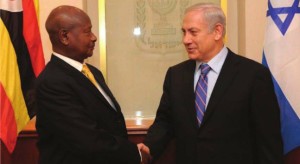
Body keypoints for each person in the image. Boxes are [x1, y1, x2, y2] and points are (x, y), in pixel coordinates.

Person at [138, 3, 283, 164]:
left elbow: (268, 142)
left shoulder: (253, 75)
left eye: (193, 32)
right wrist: (149, 148)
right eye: (184, 32)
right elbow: (164, 122)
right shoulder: (176, 75)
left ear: (217, 31)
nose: (186, 40)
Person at [35, 5, 140, 164]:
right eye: (87, 31)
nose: (94, 37)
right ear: (64, 36)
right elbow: (87, 140)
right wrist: (136, 154)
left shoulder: (93, 72)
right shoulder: (51, 82)